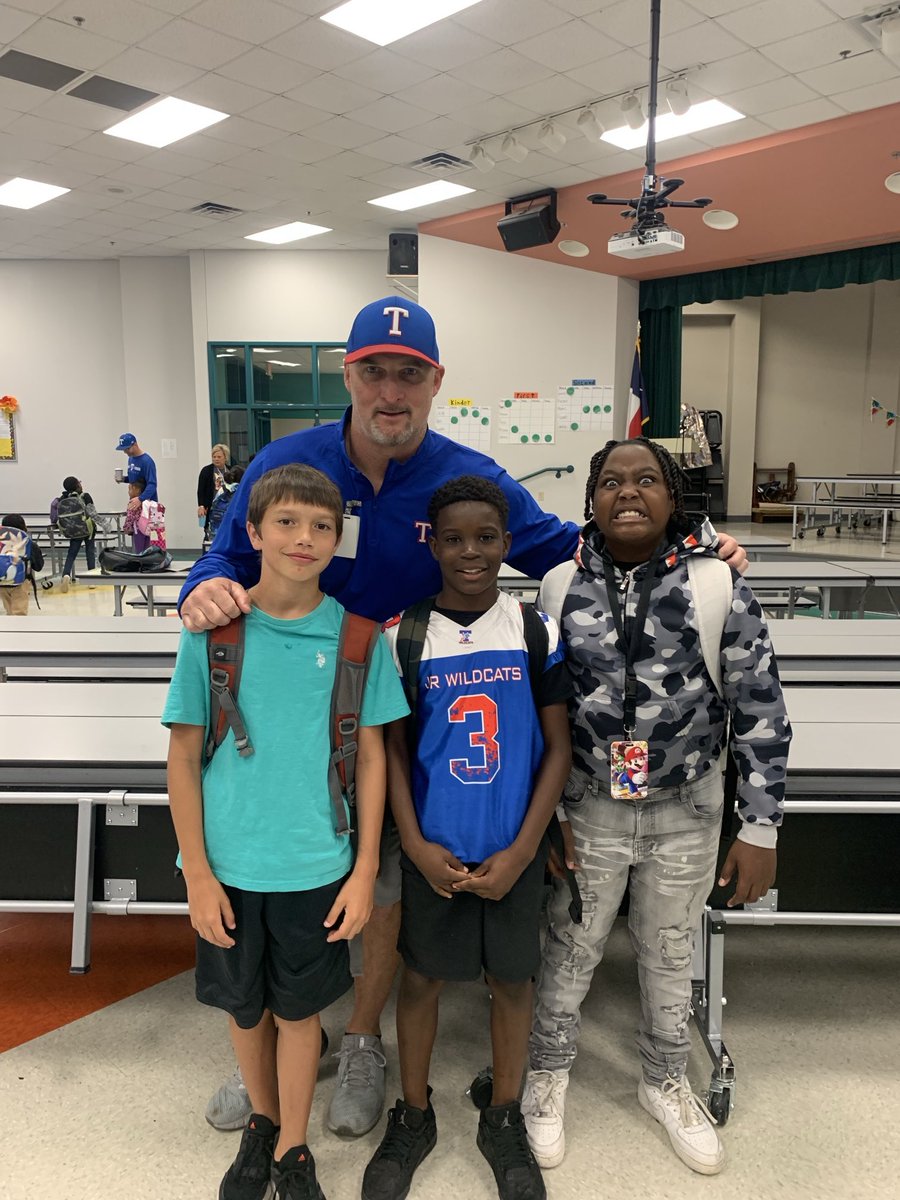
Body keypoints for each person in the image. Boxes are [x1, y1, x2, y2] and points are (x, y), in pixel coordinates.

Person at [178, 295, 748, 1138]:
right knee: (278, 875)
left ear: (435, 380)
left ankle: (362, 1038)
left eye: (410, 374)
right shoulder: (290, 463)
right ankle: (268, 1053)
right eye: (375, 370)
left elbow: (567, 545)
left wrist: (688, 547)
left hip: (396, 718)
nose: (391, 391)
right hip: (287, 717)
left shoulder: (462, 474)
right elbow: (225, 553)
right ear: (351, 373)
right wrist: (203, 590)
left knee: (384, 888)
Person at [522, 438, 791, 1178]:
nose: (629, 492)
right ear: (591, 500)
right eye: (612, 482)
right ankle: (546, 1075)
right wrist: (546, 818)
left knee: (672, 951)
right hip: (589, 809)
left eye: (648, 480)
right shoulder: (555, 588)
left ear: (674, 499)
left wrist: (760, 826)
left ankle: (665, 1078)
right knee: (570, 948)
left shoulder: (718, 587)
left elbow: (760, 710)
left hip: (689, 810)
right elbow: (538, 716)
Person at [163, 463, 409, 1200]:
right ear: (252, 532)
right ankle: (261, 1125)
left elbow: (371, 758)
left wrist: (365, 868)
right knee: (245, 1009)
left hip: (316, 864)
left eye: (322, 526)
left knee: (302, 1014)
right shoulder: (212, 635)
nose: (304, 539)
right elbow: (181, 754)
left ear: (340, 539)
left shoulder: (361, 639)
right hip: (229, 866)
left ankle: (294, 1149)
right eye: (287, 523)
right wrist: (198, 874)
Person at [362, 476, 572, 1200]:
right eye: (454, 538)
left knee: (513, 981)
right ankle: (413, 1112)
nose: (471, 551)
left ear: (508, 544)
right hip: (435, 850)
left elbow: (559, 750)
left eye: (486, 537)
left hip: (512, 850)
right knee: (419, 979)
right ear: (433, 543)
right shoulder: (405, 635)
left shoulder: (534, 630)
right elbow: (389, 753)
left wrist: (524, 850)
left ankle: (504, 1115)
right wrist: (415, 846)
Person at [116, 433, 158, 549]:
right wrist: (124, 479)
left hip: (147, 505)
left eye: (127, 449)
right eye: (124, 450)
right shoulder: (131, 459)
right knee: (137, 537)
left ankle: (150, 562)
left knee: (149, 539)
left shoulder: (147, 461)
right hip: (136, 504)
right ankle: (140, 560)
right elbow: (135, 480)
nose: (126, 452)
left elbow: (152, 484)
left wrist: (141, 499)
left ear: (134, 444)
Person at [56, 476, 97, 592]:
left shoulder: (62, 498)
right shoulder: (85, 496)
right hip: (87, 529)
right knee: (90, 552)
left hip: (73, 531)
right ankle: (91, 580)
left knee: (71, 553)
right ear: (78, 485)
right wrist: (105, 525)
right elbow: (93, 513)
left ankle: (66, 574)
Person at [0, 514, 43, 615]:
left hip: (2, 581)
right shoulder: (28, 544)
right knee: (20, 613)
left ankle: (9, 629)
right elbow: (38, 566)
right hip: (21, 582)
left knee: (9, 610)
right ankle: (18, 630)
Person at [198, 443, 230, 541]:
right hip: (211, 508)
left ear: (225, 457)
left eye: (219, 457)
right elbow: (201, 490)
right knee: (210, 534)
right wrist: (201, 505)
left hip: (226, 508)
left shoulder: (230, 470)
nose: (216, 459)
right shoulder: (206, 471)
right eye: (214, 457)